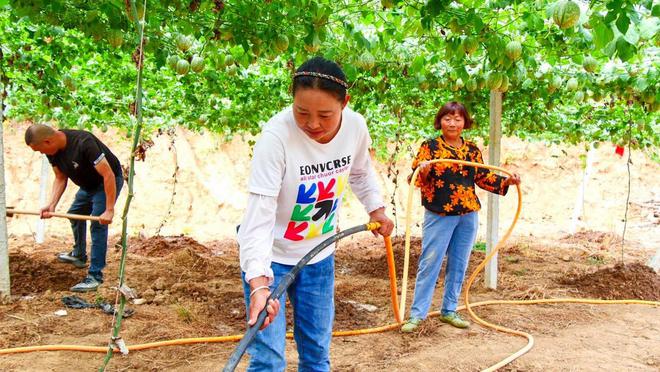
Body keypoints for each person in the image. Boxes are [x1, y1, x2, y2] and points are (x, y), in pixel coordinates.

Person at [237, 56, 394, 371]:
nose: (312, 124)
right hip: (272, 259)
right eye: (301, 112)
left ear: (345, 103)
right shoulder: (275, 138)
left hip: (319, 257)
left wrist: (377, 209)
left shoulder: (356, 128)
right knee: (268, 359)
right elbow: (259, 216)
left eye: (325, 114)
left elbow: (360, 172)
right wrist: (259, 284)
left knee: (317, 355)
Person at [400, 102, 520, 332]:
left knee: (459, 262)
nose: (452, 123)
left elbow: (483, 177)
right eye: (447, 118)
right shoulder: (431, 147)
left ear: (465, 122)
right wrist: (423, 170)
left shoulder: (472, 150)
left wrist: (507, 181)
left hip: (467, 213)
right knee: (430, 262)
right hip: (439, 213)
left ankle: (449, 310)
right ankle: (417, 314)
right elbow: (414, 177)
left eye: (457, 119)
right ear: (440, 121)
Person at [25, 124, 123, 292]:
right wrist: (52, 204)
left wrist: (109, 209)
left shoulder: (84, 142)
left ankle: (95, 276)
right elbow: (60, 177)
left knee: (98, 224)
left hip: (106, 183)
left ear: (48, 141)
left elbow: (108, 174)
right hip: (87, 186)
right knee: (74, 214)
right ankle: (79, 255)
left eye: (40, 150)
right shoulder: (53, 152)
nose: (42, 154)